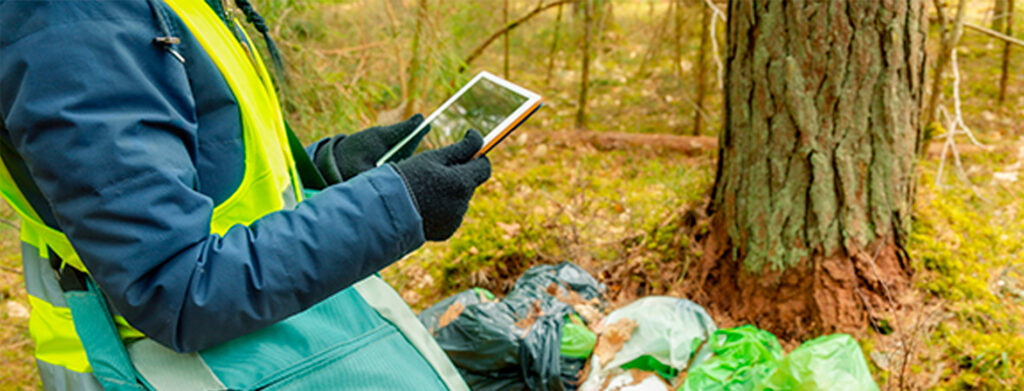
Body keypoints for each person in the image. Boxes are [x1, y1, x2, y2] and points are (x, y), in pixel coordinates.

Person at [0, 0, 487, 389]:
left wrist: (324, 168)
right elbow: (172, 285)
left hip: (259, 352)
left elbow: (188, 168)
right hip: (167, 369)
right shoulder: (72, 22)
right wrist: (391, 207)